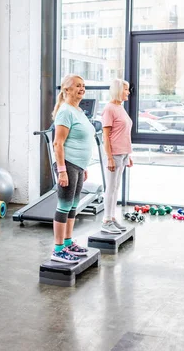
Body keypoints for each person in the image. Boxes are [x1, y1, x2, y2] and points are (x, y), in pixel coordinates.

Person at [50, 74, 96, 263]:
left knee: (73, 207)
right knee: (64, 206)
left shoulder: (78, 111)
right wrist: (62, 170)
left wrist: (83, 167)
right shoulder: (65, 111)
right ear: (66, 89)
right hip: (67, 165)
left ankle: (68, 243)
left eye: (83, 86)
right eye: (78, 85)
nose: (82, 88)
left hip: (77, 166)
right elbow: (58, 144)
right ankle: (58, 249)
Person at [100, 79, 133, 234]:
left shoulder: (120, 107)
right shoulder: (109, 109)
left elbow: (124, 133)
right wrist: (109, 158)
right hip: (114, 154)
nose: (128, 92)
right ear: (118, 90)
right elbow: (106, 137)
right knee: (110, 188)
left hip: (123, 153)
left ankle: (112, 218)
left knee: (116, 187)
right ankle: (106, 220)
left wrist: (129, 154)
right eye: (125, 89)